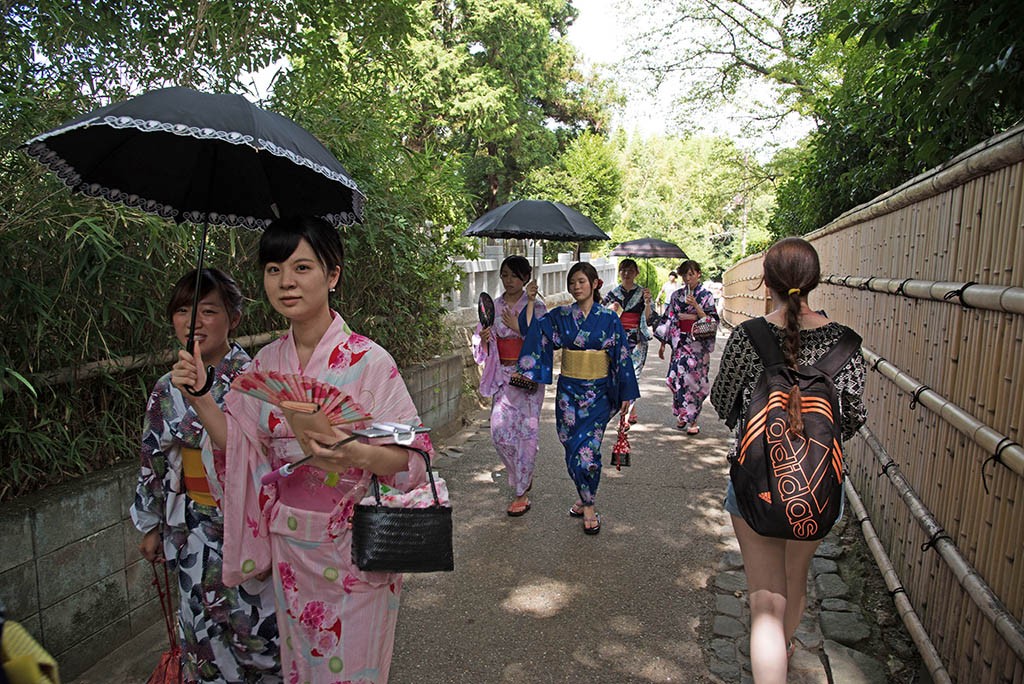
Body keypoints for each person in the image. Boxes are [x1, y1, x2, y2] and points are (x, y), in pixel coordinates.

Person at [171, 217, 432, 684]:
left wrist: (356, 454)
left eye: (302, 267)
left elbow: (411, 460)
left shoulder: (370, 362)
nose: (286, 281)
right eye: (273, 269)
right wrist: (201, 396)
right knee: (302, 670)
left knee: (351, 673)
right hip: (291, 547)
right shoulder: (267, 362)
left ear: (333, 275)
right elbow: (241, 447)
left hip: (355, 548)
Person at [710, 237, 866, 683]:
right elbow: (850, 419)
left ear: (765, 282)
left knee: (764, 599)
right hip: (817, 489)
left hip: (754, 483)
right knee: (795, 581)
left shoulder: (747, 338)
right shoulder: (847, 344)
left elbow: (723, 403)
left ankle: (769, 664)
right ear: (814, 282)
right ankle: (783, 649)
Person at [130, 268, 280, 683]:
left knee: (262, 638)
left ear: (233, 318)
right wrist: (151, 524)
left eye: (207, 311)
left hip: (250, 527)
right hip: (194, 527)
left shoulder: (256, 378)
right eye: (182, 311)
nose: (192, 322)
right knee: (202, 636)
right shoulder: (167, 388)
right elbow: (153, 458)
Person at [517, 262, 639, 535]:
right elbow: (531, 332)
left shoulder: (608, 318)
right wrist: (530, 300)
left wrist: (625, 394)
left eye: (582, 281)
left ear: (595, 284)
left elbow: (621, 356)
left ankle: (589, 505)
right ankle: (583, 494)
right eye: (572, 282)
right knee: (572, 448)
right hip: (569, 394)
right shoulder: (560, 316)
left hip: (598, 394)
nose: (576, 286)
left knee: (589, 453)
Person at [472, 255, 547, 516]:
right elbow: (483, 339)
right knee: (499, 433)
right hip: (503, 375)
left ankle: (521, 492)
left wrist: (521, 327)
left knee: (526, 434)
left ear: (526, 277)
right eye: (504, 275)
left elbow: (545, 341)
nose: (509, 280)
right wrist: (484, 339)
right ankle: (521, 474)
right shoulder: (493, 306)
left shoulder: (535, 306)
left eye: (514, 275)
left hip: (527, 378)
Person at [659, 259, 719, 434]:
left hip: (698, 344)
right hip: (681, 342)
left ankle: (693, 421)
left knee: (695, 381)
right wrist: (663, 343)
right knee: (677, 378)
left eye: (691, 274)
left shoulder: (706, 295)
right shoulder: (676, 295)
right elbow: (669, 318)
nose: (687, 278)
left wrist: (696, 307)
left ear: (698, 274)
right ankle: (682, 413)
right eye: (684, 274)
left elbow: (712, 320)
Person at [602, 258, 653, 424]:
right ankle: (629, 407)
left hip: (636, 339)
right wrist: (612, 310)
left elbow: (646, 318)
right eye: (623, 270)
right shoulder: (613, 294)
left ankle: (626, 414)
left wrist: (647, 303)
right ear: (619, 272)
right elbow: (602, 314)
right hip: (617, 338)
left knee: (634, 375)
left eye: (631, 270)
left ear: (637, 273)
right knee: (618, 374)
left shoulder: (642, 293)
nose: (627, 273)